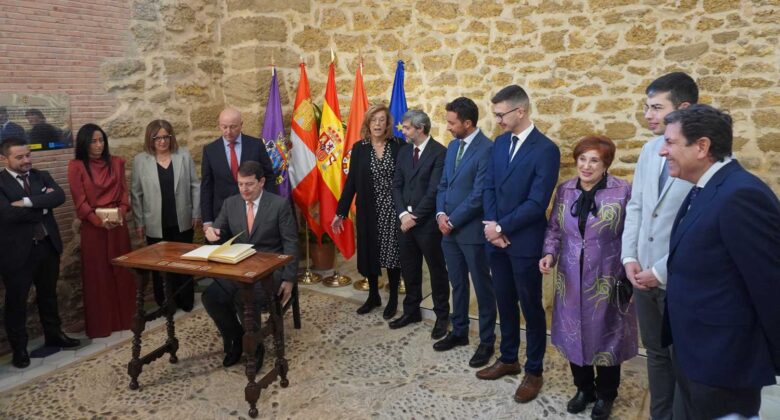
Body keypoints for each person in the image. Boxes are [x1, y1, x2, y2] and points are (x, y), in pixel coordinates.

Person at [660, 104, 780, 419]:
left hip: (723, 363)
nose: (663, 151)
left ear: (702, 146)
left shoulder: (740, 195)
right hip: (694, 353)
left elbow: (770, 284)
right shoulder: (704, 189)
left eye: (670, 142)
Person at [539, 136, 638, 420]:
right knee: (573, 335)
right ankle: (584, 389)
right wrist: (549, 254)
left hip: (608, 276)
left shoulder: (622, 191)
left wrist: (628, 267)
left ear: (606, 164)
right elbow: (555, 229)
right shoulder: (566, 189)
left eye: (594, 160)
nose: (586, 165)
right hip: (569, 277)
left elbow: (631, 233)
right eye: (582, 159)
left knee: (608, 337)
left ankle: (606, 395)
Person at [620, 71, 698, 420]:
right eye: (646, 107)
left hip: (678, 277)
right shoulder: (650, 149)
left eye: (656, 107)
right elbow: (636, 205)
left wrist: (660, 271)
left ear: (683, 107)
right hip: (641, 275)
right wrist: (630, 257)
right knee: (655, 353)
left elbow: (700, 229)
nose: (648, 115)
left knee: (684, 358)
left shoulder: (707, 156)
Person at [478, 85, 560, 404]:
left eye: (500, 114)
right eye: (495, 114)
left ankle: (534, 370)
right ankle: (509, 357)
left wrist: (501, 225)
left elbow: (537, 201)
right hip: (495, 240)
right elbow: (488, 187)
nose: (496, 119)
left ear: (520, 111)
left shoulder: (545, 150)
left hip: (524, 241)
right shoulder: (499, 145)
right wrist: (491, 227)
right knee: (504, 301)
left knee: (530, 307)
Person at [201, 161, 298, 367]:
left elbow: (291, 244)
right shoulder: (230, 204)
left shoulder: (279, 205)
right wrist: (212, 234)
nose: (244, 189)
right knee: (210, 297)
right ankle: (237, 339)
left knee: (245, 297)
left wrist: (289, 279)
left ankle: (255, 347)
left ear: (261, 182)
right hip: (238, 268)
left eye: (249, 184)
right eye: (240, 184)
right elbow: (219, 233)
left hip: (270, 271)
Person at [0, 137, 80, 368]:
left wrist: (24, 202)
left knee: (49, 295)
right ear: (5, 158)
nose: (26, 160)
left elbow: (59, 197)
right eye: (20, 157)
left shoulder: (41, 175)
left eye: (28, 155)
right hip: (17, 254)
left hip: (47, 247)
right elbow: (6, 214)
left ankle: (55, 335)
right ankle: (19, 349)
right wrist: (42, 206)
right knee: (17, 303)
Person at [433, 97, 497, 368]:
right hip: (448, 231)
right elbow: (444, 184)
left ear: (467, 123)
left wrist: (454, 219)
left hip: (471, 231)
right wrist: (440, 214)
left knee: (482, 287)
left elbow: (479, 194)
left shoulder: (487, 150)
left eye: (451, 122)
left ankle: (486, 341)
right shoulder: (452, 146)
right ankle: (459, 331)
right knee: (457, 283)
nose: (447, 127)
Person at [332, 105, 403, 317]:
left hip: (392, 210)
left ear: (388, 124)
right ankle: (373, 296)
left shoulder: (398, 146)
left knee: (392, 255)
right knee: (370, 254)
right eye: (374, 120)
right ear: (368, 124)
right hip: (368, 211)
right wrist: (341, 212)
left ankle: (393, 299)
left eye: (382, 120)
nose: (378, 124)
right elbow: (351, 183)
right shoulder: (359, 149)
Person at [67, 124, 135, 338]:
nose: (98, 145)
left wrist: (120, 214)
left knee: (122, 271)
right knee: (98, 275)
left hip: (117, 225)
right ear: (84, 144)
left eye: (101, 140)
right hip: (93, 229)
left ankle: (126, 318)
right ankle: (102, 324)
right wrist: (98, 221)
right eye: (93, 141)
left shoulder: (116, 162)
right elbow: (80, 202)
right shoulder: (76, 166)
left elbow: (125, 194)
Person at [389, 109, 450, 340]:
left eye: (406, 128)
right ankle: (411, 311)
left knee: (436, 271)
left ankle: (442, 316)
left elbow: (435, 190)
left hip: (426, 225)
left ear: (420, 129)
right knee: (410, 269)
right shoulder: (404, 152)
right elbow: (397, 185)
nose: (402, 131)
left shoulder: (439, 153)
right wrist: (403, 213)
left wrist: (414, 218)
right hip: (405, 222)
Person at [131, 120, 201, 311]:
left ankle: (185, 300)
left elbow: (195, 185)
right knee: (160, 266)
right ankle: (165, 303)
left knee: (185, 262)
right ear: (150, 139)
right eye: (157, 137)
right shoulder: (140, 160)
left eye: (165, 137)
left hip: (182, 219)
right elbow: (136, 193)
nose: (162, 141)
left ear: (171, 137)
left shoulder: (183, 156)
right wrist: (139, 221)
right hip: (155, 222)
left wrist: (196, 211)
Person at [200, 107, 275, 229]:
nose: (228, 131)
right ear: (219, 125)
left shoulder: (256, 145)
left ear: (241, 125)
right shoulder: (210, 150)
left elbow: (269, 177)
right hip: (222, 215)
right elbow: (206, 187)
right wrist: (207, 220)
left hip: (254, 212)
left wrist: (270, 207)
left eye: (233, 127)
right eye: (224, 127)